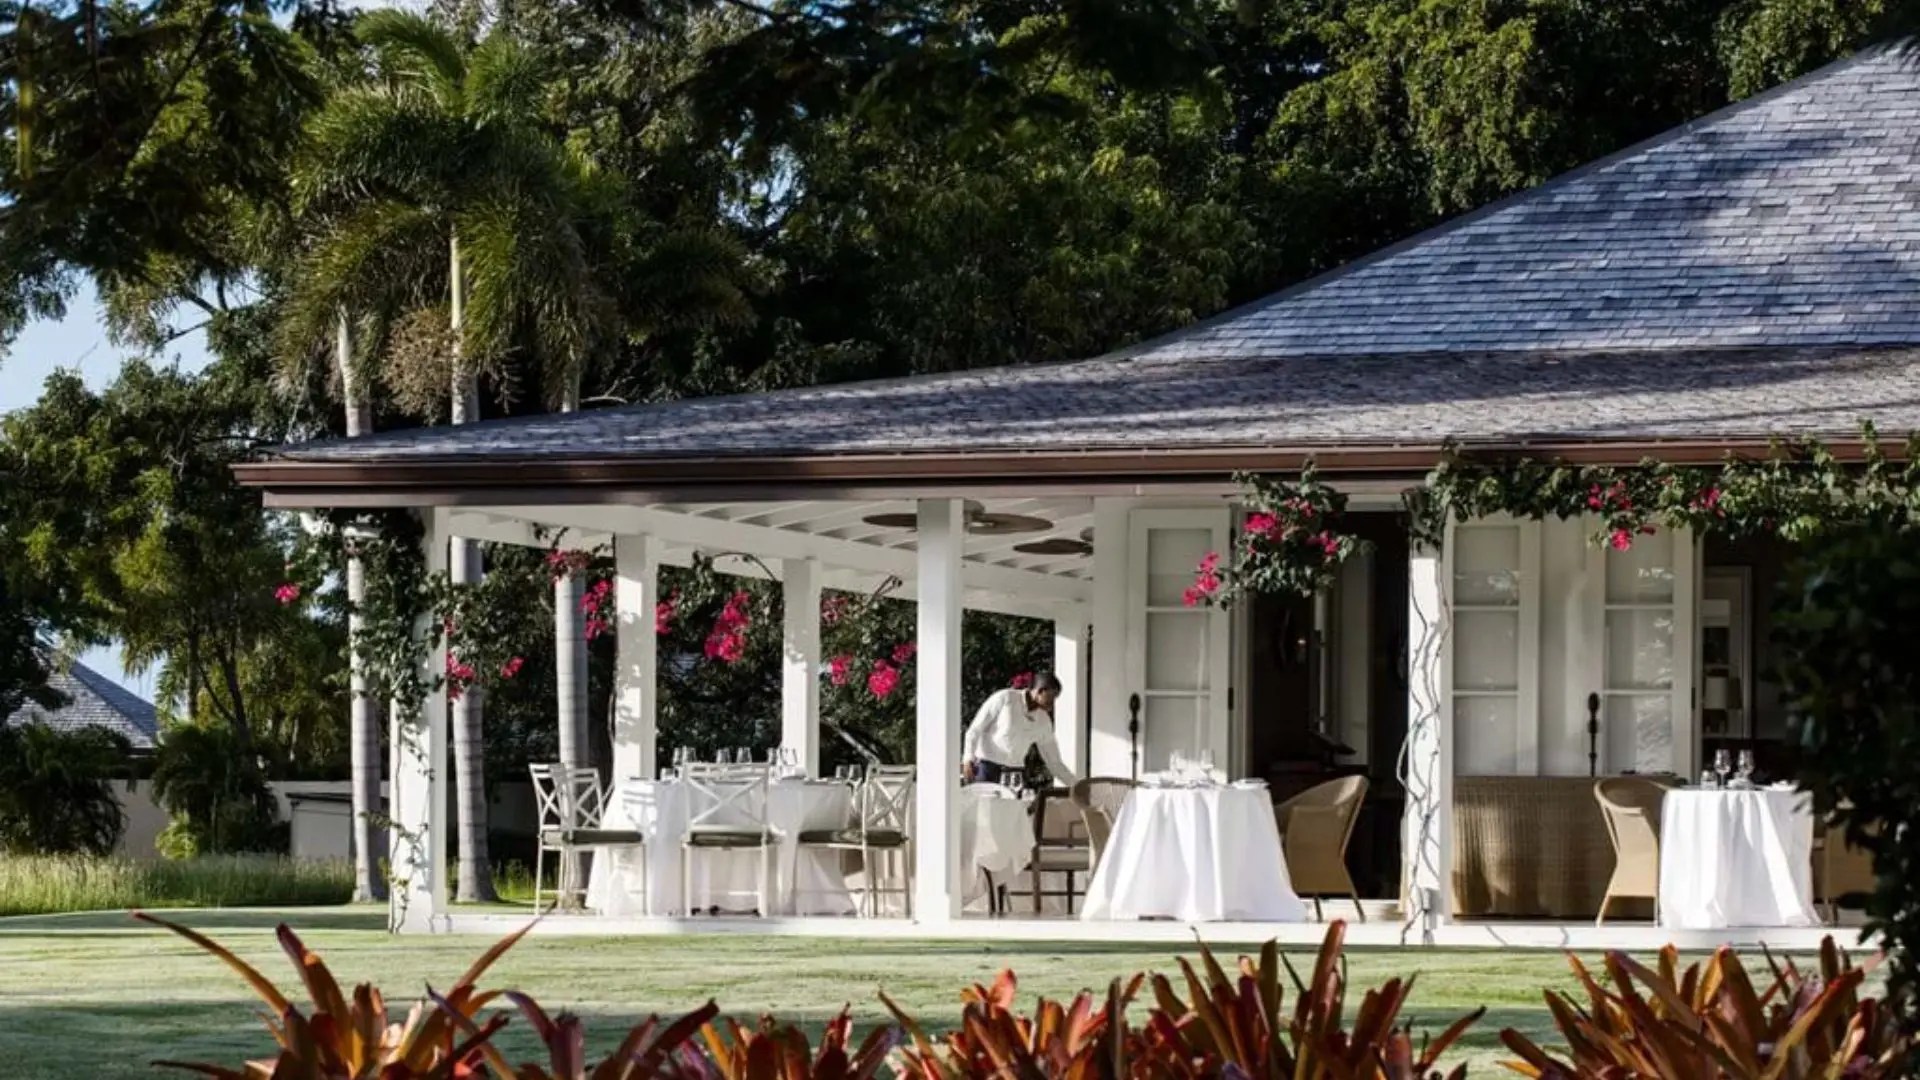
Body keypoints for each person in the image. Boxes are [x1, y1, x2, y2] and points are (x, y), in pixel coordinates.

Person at [961, 672, 1077, 788]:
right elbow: (975, 729)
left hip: (1014, 775)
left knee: (1013, 806)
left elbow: (1054, 761)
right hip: (986, 769)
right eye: (1051, 697)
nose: (1053, 703)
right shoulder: (1005, 698)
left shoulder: (1044, 721)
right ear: (1040, 691)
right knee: (984, 806)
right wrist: (968, 759)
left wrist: (1075, 785)